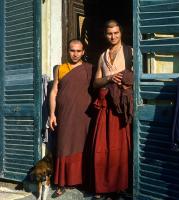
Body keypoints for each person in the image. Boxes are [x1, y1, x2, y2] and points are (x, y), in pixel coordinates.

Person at [86, 20, 133, 199]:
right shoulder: (103, 55)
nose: (113, 37)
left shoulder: (130, 52)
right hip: (105, 106)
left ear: (121, 33)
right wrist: (110, 78)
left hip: (121, 106)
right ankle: (102, 187)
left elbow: (138, 75)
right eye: (109, 34)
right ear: (105, 35)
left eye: (116, 33)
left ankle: (120, 187)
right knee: (101, 146)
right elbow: (96, 82)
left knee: (120, 147)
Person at [49, 39, 93, 198]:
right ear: (68, 51)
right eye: (72, 50)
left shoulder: (89, 69)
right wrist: (52, 113)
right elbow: (54, 91)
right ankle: (62, 182)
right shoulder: (60, 69)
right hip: (64, 113)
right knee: (63, 145)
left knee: (83, 144)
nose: (75, 54)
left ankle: (84, 180)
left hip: (83, 114)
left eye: (78, 51)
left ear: (83, 52)